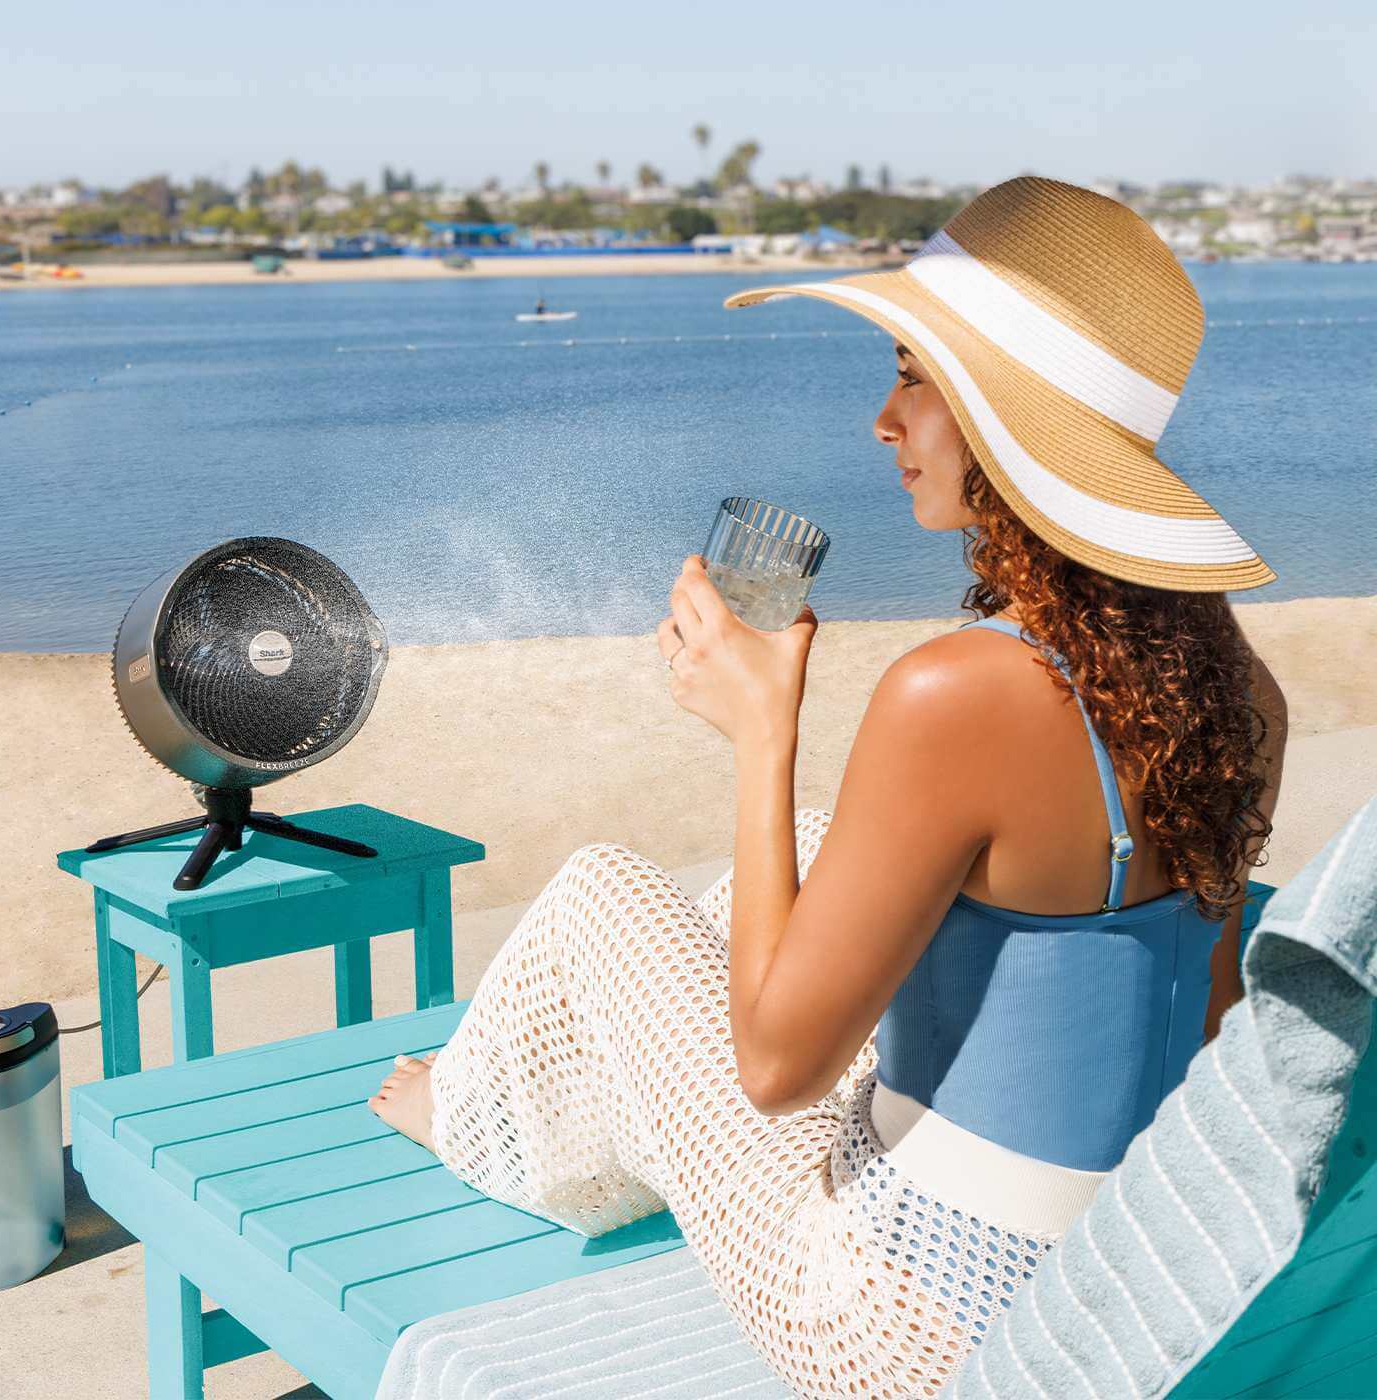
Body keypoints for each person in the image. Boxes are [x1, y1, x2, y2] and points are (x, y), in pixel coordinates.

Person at [368, 176, 1288, 1397]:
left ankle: (472, 1117)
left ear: (996, 410)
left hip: (910, 1321)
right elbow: (1199, 1018)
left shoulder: (951, 692)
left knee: (601, 895)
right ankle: (544, 1104)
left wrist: (763, 726)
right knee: (810, 847)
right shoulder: (1231, 688)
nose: (880, 418)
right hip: (1114, 1273)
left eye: (911, 373)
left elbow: (773, 1072)